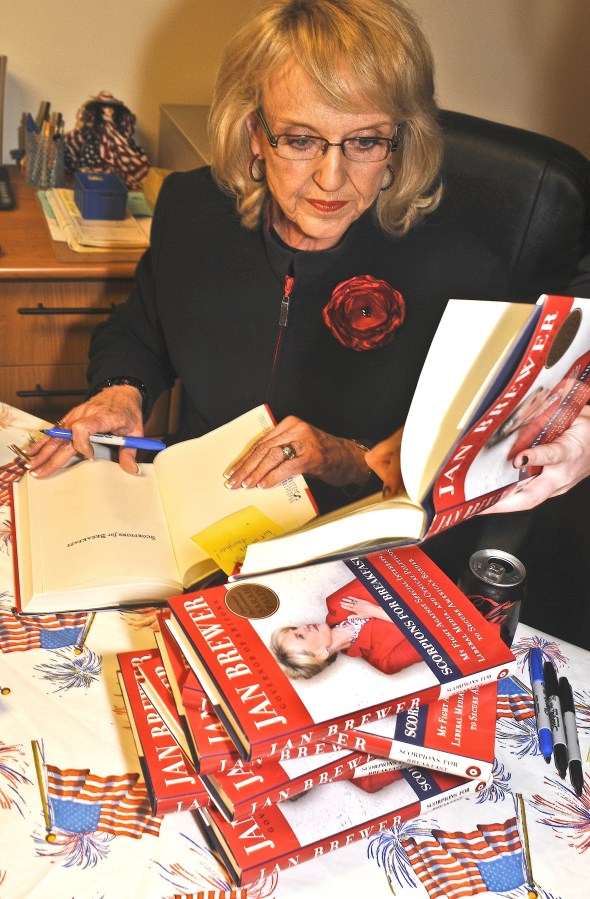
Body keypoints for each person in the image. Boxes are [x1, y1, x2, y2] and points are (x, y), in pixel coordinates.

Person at [25, 0, 585, 518]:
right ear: (254, 133)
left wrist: (340, 456)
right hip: (196, 511)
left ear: (398, 143)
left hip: (352, 543)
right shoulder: (192, 211)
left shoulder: (463, 276)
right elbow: (142, 330)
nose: (331, 178)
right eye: (299, 140)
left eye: (364, 141)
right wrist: (122, 389)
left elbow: (454, 471)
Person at [270, 588, 422, 679]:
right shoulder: (386, 661)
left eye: (296, 628)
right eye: (301, 636)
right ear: (320, 655)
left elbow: (391, 567)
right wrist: (378, 612)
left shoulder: (336, 601)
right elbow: (437, 633)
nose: (304, 627)